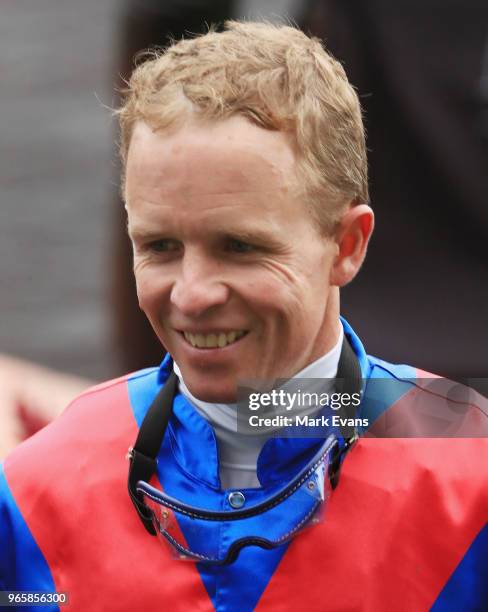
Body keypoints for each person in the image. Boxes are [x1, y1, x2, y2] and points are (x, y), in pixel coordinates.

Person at [0, 21, 486, 612]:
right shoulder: (31, 498)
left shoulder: (473, 483)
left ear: (347, 246)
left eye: (239, 246)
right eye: (159, 246)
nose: (192, 294)